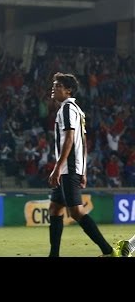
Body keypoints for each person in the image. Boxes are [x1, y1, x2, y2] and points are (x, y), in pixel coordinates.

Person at [48, 72, 118, 257]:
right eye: (54, 85)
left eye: (58, 86)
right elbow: (83, 140)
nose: (53, 88)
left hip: (68, 168)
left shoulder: (67, 109)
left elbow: (70, 138)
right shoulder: (77, 110)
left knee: (76, 212)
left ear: (68, 90)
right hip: (70, 168)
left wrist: (57, 167)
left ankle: (108, 251)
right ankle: (53, 255)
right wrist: (84, 170)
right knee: (55, 208)